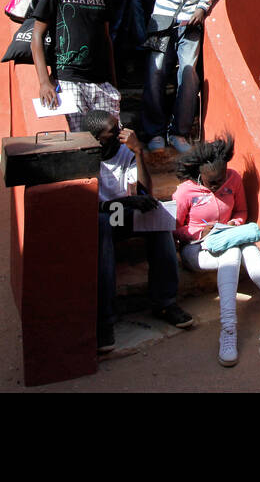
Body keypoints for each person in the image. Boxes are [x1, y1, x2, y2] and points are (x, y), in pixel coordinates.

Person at [174, 134, 260, 367]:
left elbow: (241, 213)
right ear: (200, 174)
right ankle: (229, 330)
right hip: (196, 249)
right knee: (236, 251)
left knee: (243, 249)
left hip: (228, 239)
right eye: (212, 182)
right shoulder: (186, 192)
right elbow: (175, 229)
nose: (218, 186)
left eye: (222, 179)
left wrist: (232, 226)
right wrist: (199, 234)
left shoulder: (233, 179)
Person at [86, 110, 193, 353]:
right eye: (111, 134)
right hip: (103, 220)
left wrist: (139, 152)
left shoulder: (125, 152)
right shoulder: (86, 158)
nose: (119, 136)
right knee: (102, 223)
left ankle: (165, 302)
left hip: (127, 214)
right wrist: (125, 204)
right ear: (96, 139)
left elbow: (144, 192)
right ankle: (105, 320)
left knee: (159, 216)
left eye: (120, 130)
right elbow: (88, 204)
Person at [128, 0, 224, 153]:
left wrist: (202, 8)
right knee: (156, 73)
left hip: (190, 21)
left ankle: (179, 133)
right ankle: (154, 132)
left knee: (189, 75)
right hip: (163, 19)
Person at [31, 0, 119, 133]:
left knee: (110, 136)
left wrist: (113, 80)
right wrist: (44, 81)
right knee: (82, 139)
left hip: (100, 81)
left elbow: (106, 39)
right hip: (69, 78)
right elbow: (37, 35)